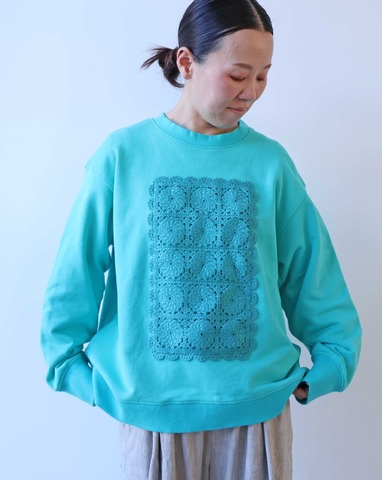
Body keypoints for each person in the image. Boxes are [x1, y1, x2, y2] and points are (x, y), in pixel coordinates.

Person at [40, 1, 362, 479]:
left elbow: (311, 270)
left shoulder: (271, 163)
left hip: (256, 414)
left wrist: (332, 362)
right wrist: (70, 368)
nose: (251, 92)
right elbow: (77, 269)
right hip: (150, 415)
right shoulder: (123, 155)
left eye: (263, 76)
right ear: (188, 62)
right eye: (238, 75)